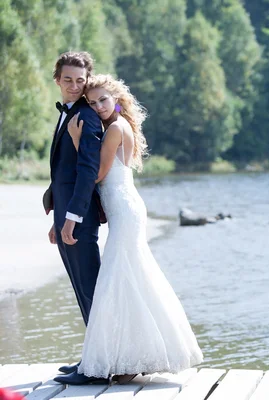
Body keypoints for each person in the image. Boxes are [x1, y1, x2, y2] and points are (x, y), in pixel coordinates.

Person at [54, 74, 203, 385]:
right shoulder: (116, 127)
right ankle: (129, 357)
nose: (97, 107)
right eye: (92, 103)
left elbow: (97, 174)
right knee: (129, 279)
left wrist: (78, 139)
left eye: (102, 101)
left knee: (120, 278)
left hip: (124, 210)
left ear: (117, 99)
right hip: (125, 208)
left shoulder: (116, 129)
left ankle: (128, 357)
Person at [42, 51, 106, 383]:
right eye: (68, 79)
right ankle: (92, 358)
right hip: (66, 216)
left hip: (78, 218)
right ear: (57, 80)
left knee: (90, 288)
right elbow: (61, 171)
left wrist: (72, 218)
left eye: (80, 80)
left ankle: (99, 368)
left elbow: (86, 173)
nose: (74, 86)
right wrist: (57, 218)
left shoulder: (86, 117)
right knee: (81, 287)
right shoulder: (68, 114)